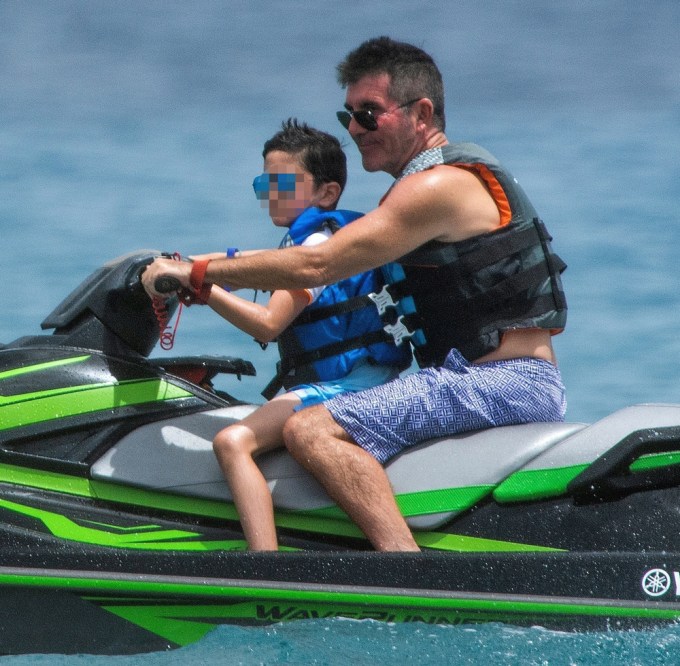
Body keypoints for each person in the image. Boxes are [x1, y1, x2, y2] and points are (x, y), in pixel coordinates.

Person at [142, 37, 568, 552]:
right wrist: (198, 275)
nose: (354, 130)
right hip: (470, 377)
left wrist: (196, 269)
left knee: (311, 431)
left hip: (502, 382)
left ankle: (403, 570)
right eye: (347, 116)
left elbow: (316, 263)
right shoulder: (424, 186)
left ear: (422, 112)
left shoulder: (438, 185)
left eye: (368, 114)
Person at [164, 119, 410, 550]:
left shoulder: (314, 247)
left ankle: (265, 563)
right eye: (265, 181)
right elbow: (245, 261)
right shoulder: (326, 236)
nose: (271, 193)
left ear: (326, 193)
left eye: (283, 182)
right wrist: (185, 264)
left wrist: (206, 289)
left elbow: (268, 323)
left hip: (346, 386)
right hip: (364, 378)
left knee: (233, 442)